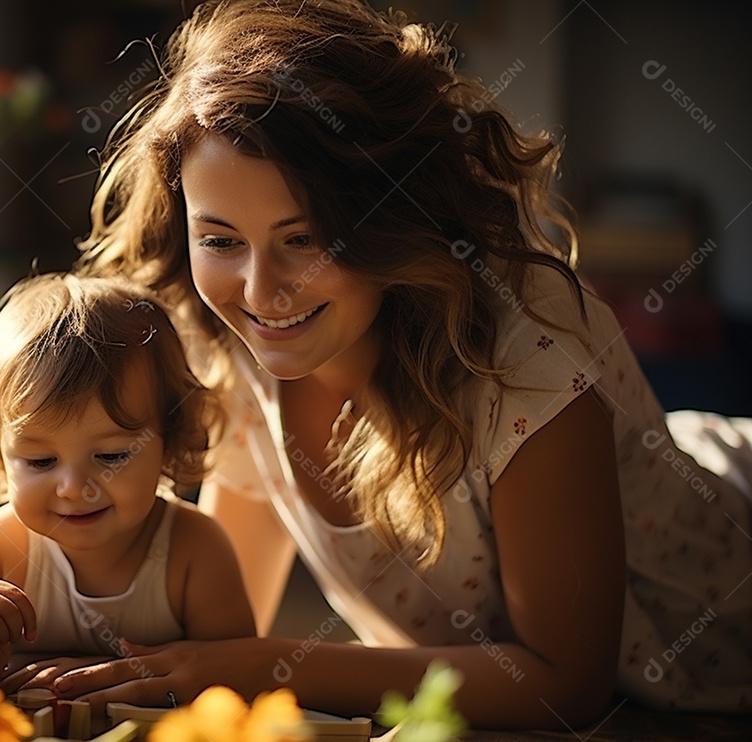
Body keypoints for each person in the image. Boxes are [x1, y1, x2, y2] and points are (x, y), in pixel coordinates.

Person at [50, 0, 752, 729]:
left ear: (394, 218)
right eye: (221, 240)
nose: (260, 292)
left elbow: (562, 685)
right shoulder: (233, 345)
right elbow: (226, 633)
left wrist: (262, 668)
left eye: (306, 238)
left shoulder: (525, 359)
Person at [0, 272, 256, 691]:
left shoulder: (195, 553)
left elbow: (239, 679)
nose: (74, 487)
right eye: (40, 460)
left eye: (111, 456)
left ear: (172, 440)